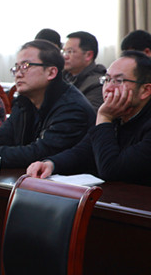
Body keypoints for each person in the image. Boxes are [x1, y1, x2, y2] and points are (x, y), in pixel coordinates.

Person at [0, 39, 95, 168]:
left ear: (51, 72)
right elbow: (2, 137)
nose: (18, 74)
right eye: (16, 68)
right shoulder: (25, 102)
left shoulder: (72, 108)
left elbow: (40, 153)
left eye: (25, 66)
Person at [27, 51, 151, 186]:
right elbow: (83, 152)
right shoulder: (118, 115)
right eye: (107, 79)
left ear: (145, 90)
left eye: (118, 81)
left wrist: (104, 118)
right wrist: (51, 164)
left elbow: (111, 170)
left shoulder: (111, 115)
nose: (108, 88)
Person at [62, 31, 106, 111]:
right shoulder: (62, 76)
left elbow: (85, 115)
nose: (65, 56)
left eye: (70, 51)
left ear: (88, 55)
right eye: (63, 52)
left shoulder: (98, 84)